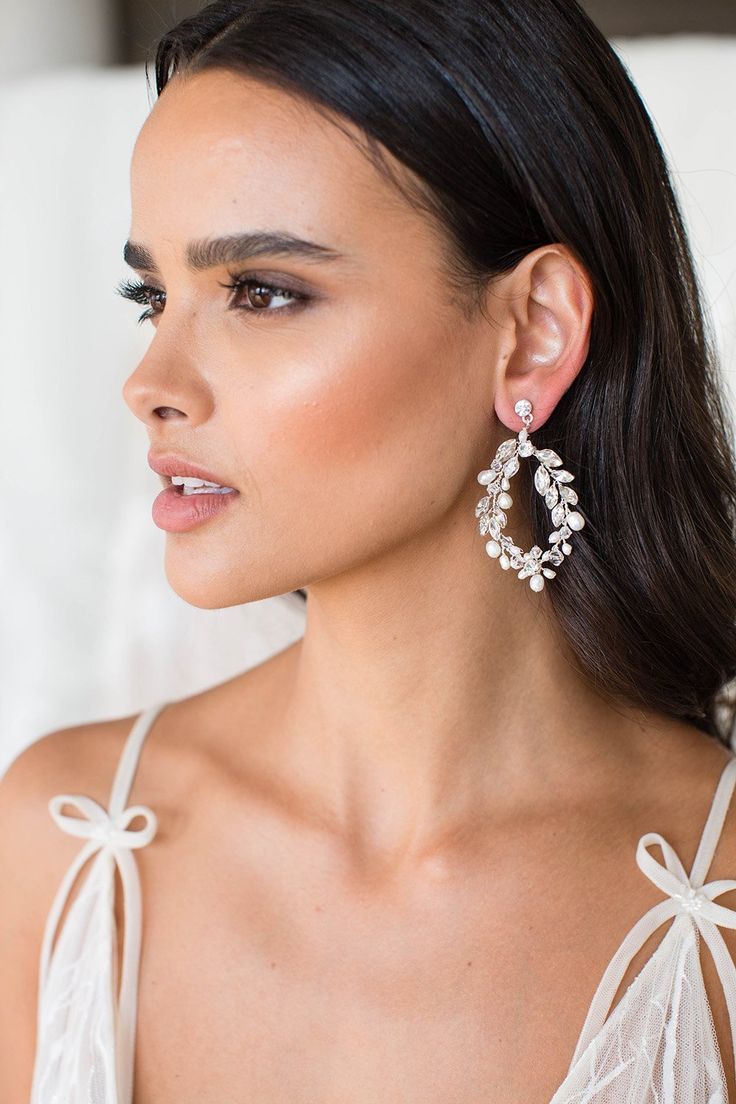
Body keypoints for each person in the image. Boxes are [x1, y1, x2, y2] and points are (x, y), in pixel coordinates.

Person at [2, 0, 736, 1100]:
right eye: (152, 295)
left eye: (262, 292)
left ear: (533, 330)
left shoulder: (713, 897)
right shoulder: (62, 843)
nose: (150, 385)